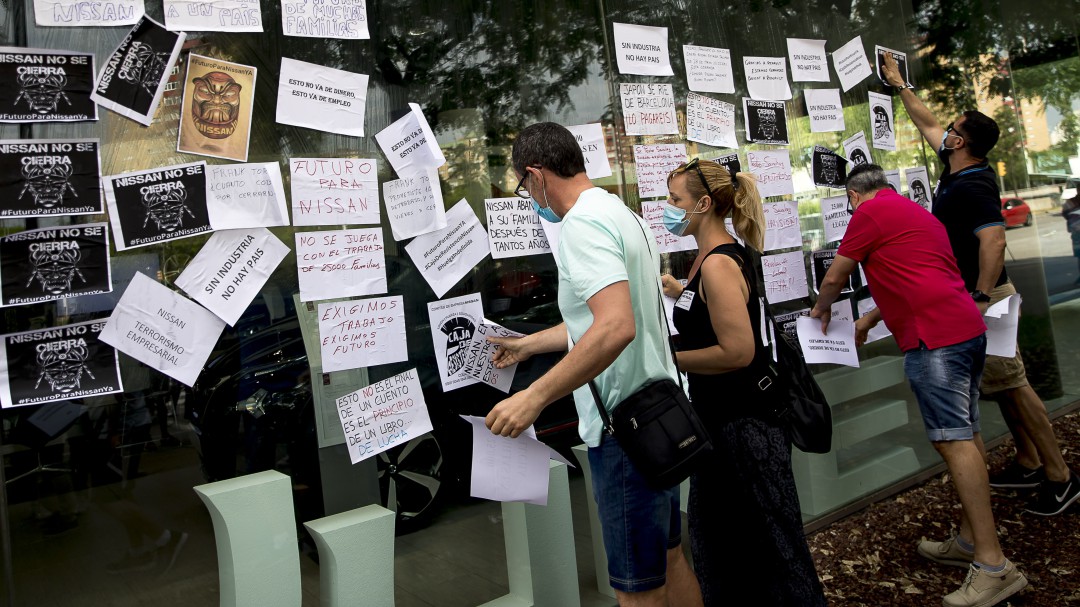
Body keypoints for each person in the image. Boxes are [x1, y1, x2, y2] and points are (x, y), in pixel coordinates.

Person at [485, 122, 702, 607]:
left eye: (523, 186)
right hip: (658, 417)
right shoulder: (620, 213)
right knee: (669, 559)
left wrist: (533, 396)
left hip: (625, 431)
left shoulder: (581, 224)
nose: (527, 197)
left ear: (537, 175)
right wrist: (529, 345)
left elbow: (615, 327)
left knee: (637, 591)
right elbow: (602, 316)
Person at [812, 164, 1027, 607]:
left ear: (854, 195)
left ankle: (993, 566)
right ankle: (970, 540)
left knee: (953, 440)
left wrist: (819, 313)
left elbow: (835, 277)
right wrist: (871, 317)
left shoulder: (867, 216)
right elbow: (920, 273)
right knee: (966, 432)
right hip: (964, 328)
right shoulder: (916, 212)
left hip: (936, 340)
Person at [882, 53, 1078, 517]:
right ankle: (1030, 461)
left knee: (1014, 384)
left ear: (961, 140)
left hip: (988, 296)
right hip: (977, 298)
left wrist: (981, 296)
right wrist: (898, 84)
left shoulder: (972, 185)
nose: (943, 129)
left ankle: (1061, 476)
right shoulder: (956, 167)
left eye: (952, 126)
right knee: (999, 383)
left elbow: (992, 241)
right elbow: (927, 120)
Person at [659, 158, 825, 606]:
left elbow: (737, 351)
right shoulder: (708, 259)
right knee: (727, 548)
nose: (668, 208)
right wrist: (679, 294)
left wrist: (665, 355)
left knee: (773, 551)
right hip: (720, 426)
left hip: (744, 430)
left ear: (705, 203)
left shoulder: (716, 263)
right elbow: (716, 313)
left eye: (675, 200)